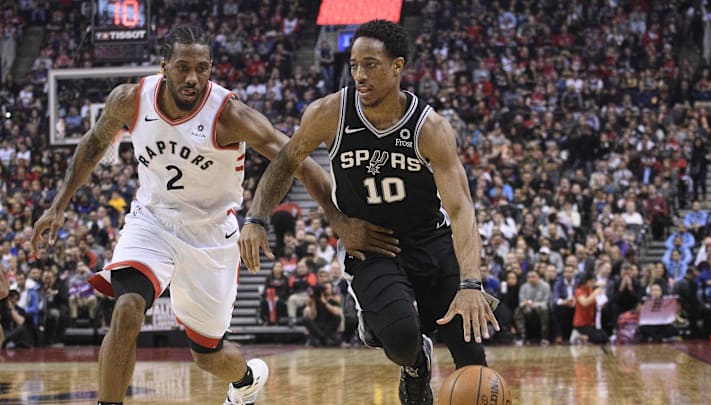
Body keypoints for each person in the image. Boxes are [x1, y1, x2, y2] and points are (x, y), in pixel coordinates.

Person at [30, 24, 394, 405]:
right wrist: (58, 205)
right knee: (126, 309)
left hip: (211, 236)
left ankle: (246, 379)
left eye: (202, 68)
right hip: (152, 220)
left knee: (208, 355)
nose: (193, 78)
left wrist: (338, 220)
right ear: (164, 66)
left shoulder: (229, 115)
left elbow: (298, 160)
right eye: (183, 67)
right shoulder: (130, 99)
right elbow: (92, 144)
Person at [239, 20, 499, 405]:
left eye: (371, 65)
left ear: (398, 66)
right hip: (372, 247)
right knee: (401, 339)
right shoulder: (329, 113)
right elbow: (287, 162)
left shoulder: (431, 129)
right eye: (354, 65)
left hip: (430, 241)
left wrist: (471, 284)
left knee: (473, 361)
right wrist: (259, 218)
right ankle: (415, 365)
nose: (360, 75)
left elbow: (461, 209)